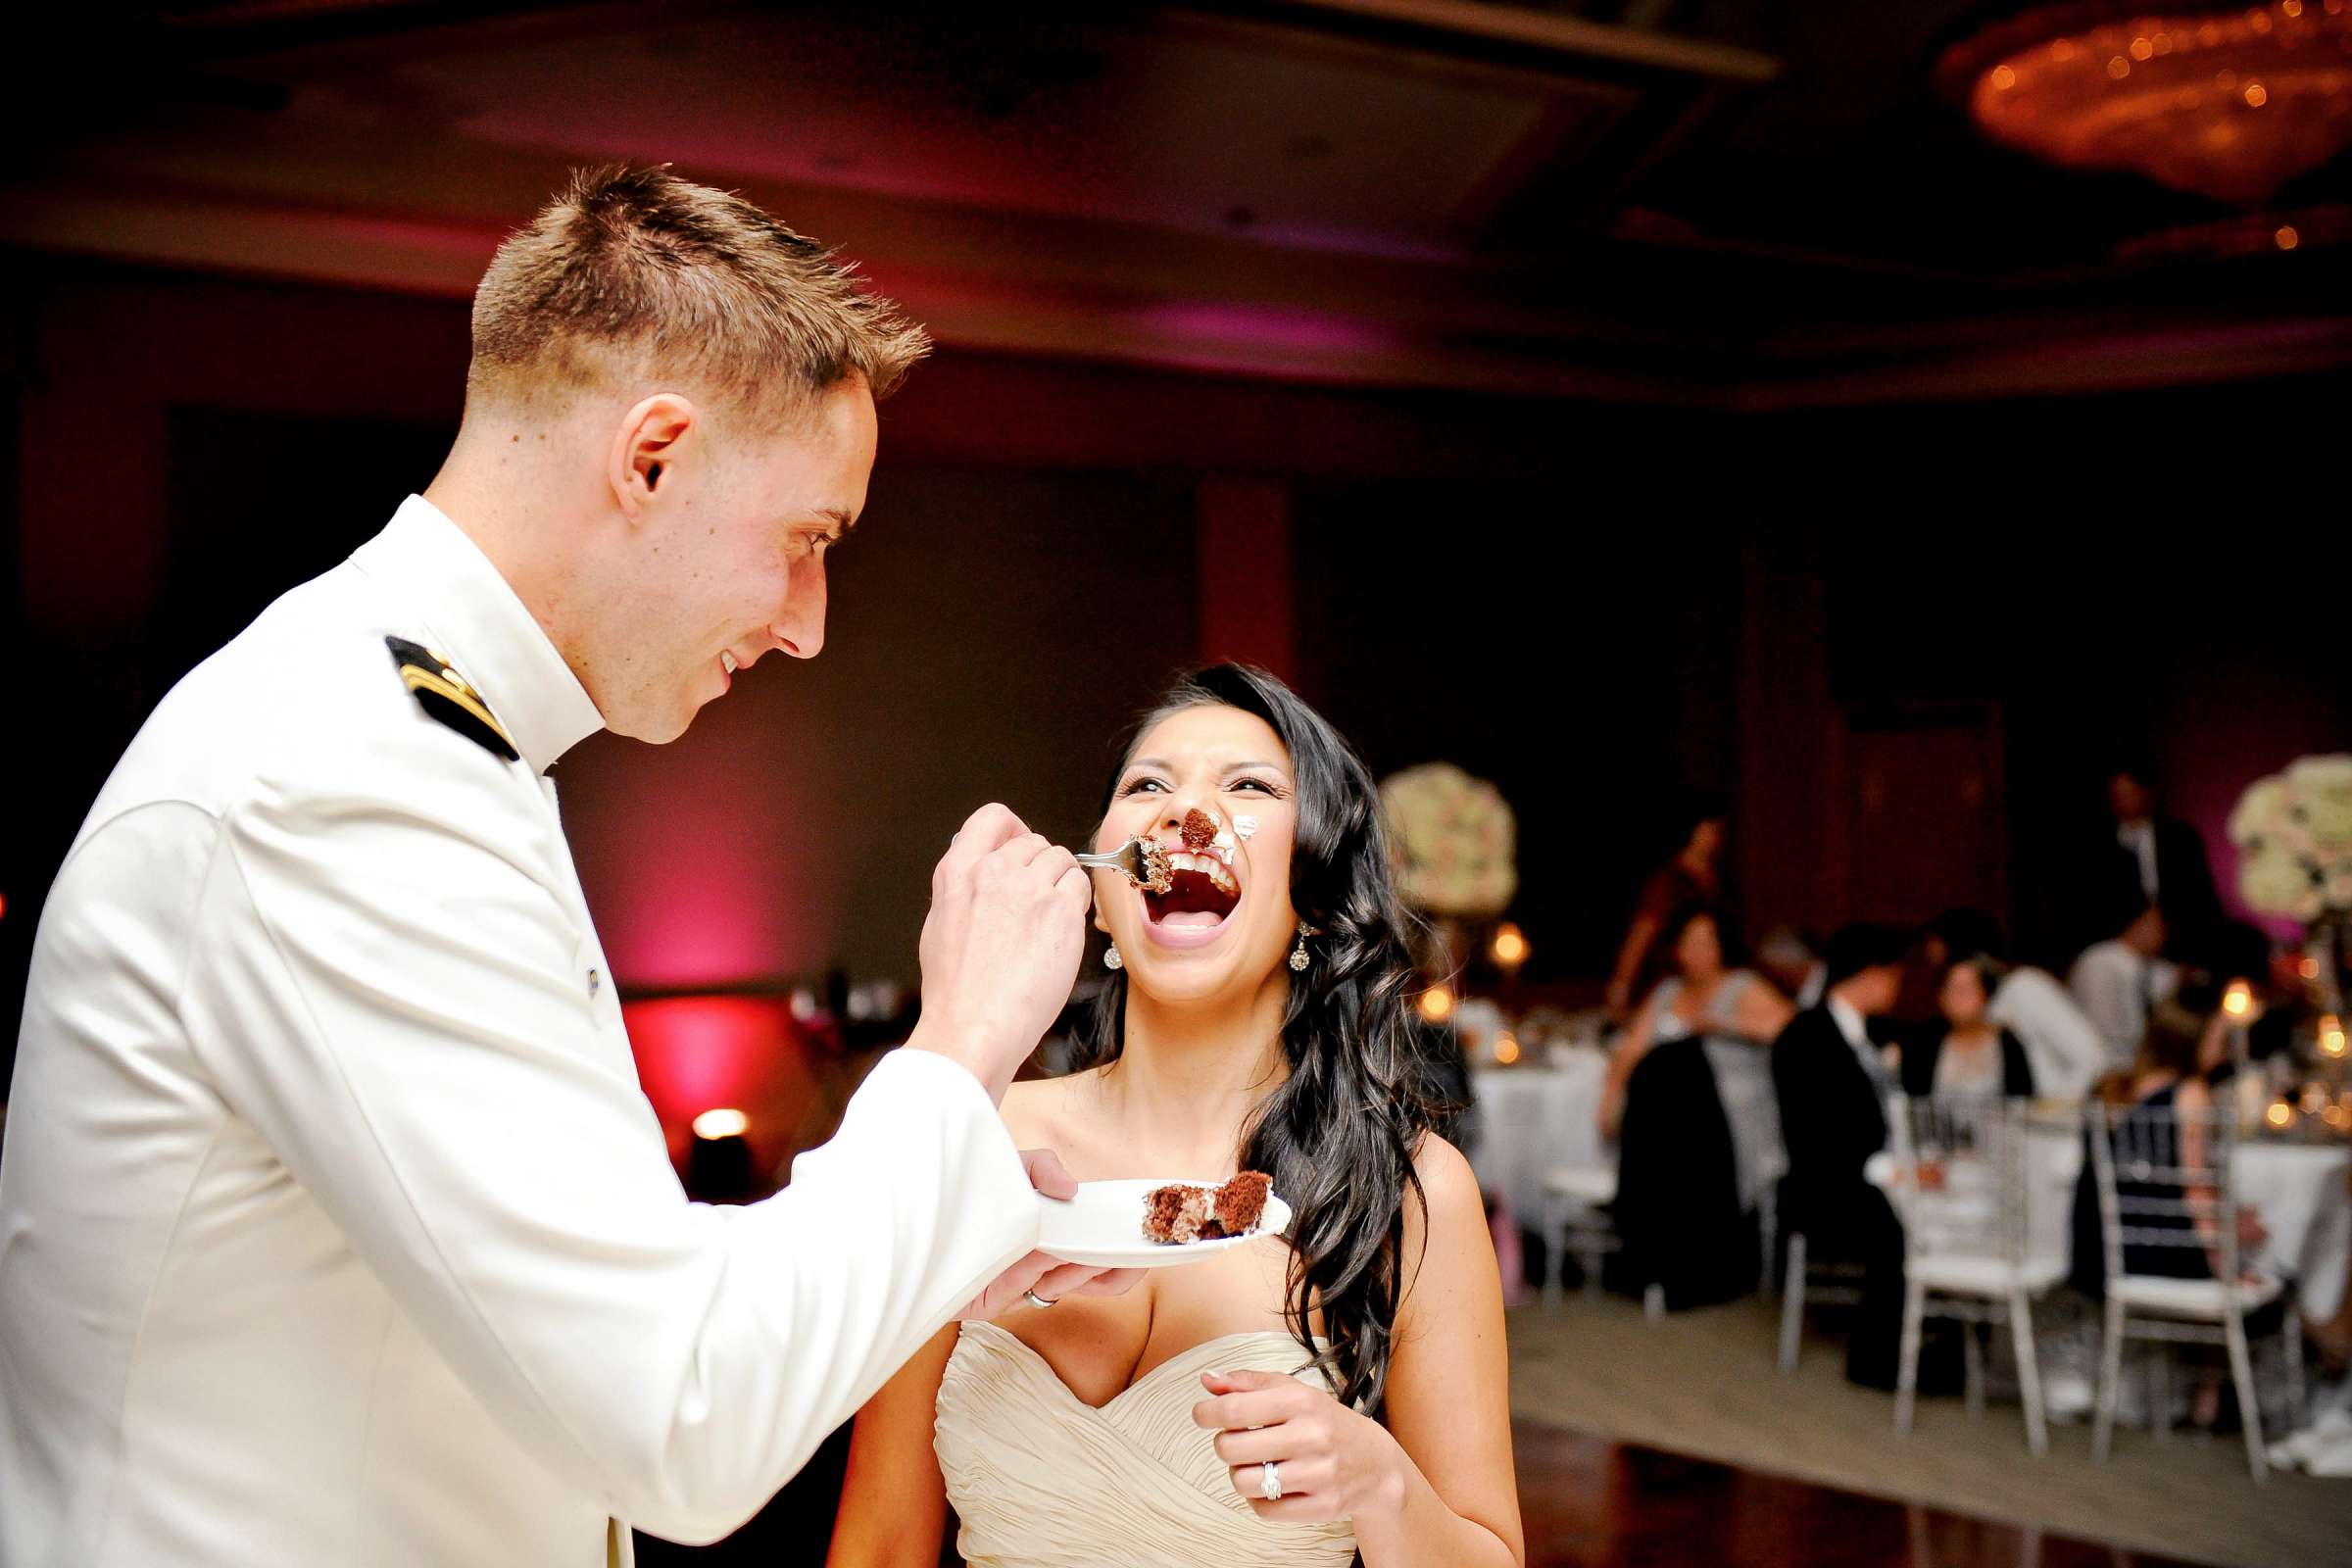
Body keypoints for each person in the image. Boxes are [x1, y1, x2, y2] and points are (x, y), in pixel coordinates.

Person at [0, 167, 1135, 1565]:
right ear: (651, 457)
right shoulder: (346, 776)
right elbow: (681, 1420)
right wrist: (959, 1050)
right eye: (806, 542)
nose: (809, 626)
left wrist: (940, 1235)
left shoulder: (435, 741)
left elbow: (600, 1301)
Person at [828, 665, 1524, 1568]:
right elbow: (880, 1540)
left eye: (1249, 786)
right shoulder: (976, 1134)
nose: (1180, 812)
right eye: (1147, 785)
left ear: (1314, 898)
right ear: (1105, 901)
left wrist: (1379, 1485)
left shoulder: (1411, 1188)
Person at [1597, 906, 1792, 1308]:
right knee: (1663, 1076)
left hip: (1725, 1114)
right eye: (1688, 942)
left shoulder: (1743, 987)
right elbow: (1632, 1049)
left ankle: (1699, 1266)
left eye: (1705, 941)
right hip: (1666, 1115)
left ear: (1722, 946)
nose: (1696, 951)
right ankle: (1651, 1257)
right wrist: (1613, 1091)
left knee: (1679, 1069)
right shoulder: (1668, 992)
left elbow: (1793, 1032)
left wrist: (1724, 1026)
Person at [1770, 922, 1913, 1389]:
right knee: (1894, 1226)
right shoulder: (1804, 1038)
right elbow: (1814, 1137)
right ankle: (1877, 1359)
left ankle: (1934, 1344)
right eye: (1894, 974)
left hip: (1883, 1172)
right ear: (1872, 974)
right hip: (1827, 1184)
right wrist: (1893, 1171)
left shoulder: (1884, 1031)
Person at [1922, 908, 2106, 1100]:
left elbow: (2093, 1058)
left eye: (1941, 962)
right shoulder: (1983, 1012)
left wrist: (2055, 1107)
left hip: (2055, 1121)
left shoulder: (2024, 987)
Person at [1603, 795, 1729, 1021]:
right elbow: (1641, 934)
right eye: (1709, 831)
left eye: (1718, 832)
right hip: (1671, 986)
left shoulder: (1716, 880)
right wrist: (1620, 987)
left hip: (1709, 986)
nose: (1714, 839)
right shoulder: (1668, 883)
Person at [2091, 764, 2221, 963]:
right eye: (2118, 796)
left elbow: (2200, 897)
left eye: (2130, 793)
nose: (2125, 802)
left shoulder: (2180, 837)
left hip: (2180, 941)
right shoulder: (2099, 846)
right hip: (2122, 946)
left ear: (2147, 792)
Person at [1899, 955, 2034, 1100]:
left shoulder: (2008, 1044)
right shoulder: (1923, 1047)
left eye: (1968, 989)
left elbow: (2023, 1101)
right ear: (1941, 997)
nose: (1960, 997)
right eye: (1953, 989)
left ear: (1984, 995)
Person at [2069, 896, 2180, 1067]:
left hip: (2144, 1061)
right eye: (2155, 924)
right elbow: (2102, 1024)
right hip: (2106, 1059)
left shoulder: (2154, 968)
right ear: (2136, 923)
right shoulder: (2099, 960)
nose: (2161, 933)